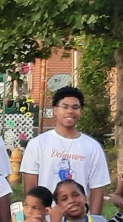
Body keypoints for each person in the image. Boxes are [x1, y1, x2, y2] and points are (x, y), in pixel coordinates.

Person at [19, 85, 111, 214]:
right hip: (47, 220)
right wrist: (37, 216)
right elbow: (31, 188)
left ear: (81, 111)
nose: (70, 111)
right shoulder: (38, 143)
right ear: (55, 110)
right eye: (65, 107)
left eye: (75, 107)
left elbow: (97, 189)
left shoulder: (92, 146)